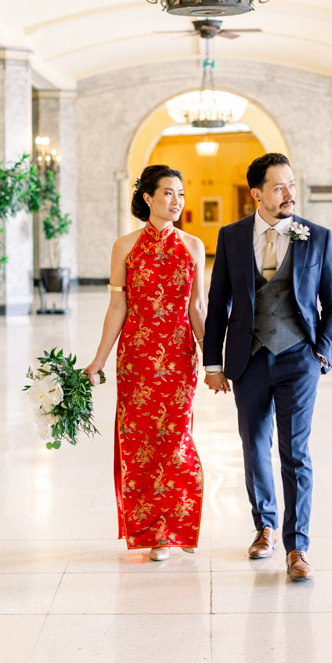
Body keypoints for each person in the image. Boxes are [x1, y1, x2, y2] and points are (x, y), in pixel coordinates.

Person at [202, 153, 332, 580]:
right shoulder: (231, 237)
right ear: (257, 193)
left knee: (295, 452)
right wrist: (213, 362)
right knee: (253, 444)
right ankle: (263, 525)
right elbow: (218, 303)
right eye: (280, 187)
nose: (289, 195)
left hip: (299, 357)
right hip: (248, 358)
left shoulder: (315, 237)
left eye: (292, 185)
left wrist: (323, 351)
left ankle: (297, 547)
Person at [83, 164, 206, 561]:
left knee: (175, 440)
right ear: (148, 198)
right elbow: (118, 304)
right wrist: (98, 360)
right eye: (168, 193)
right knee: (139, 444)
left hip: (179, 357)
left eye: (181, 194)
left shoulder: (193, 245)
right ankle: (154, 533)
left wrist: (214, 360)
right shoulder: (125, 246)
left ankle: (175, 524)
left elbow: (196, 307)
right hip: (136, 359)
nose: (176, 201)